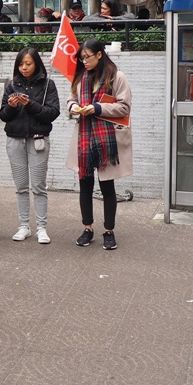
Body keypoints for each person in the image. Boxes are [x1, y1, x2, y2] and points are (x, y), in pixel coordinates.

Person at [66, 38, 133, 251]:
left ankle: (109, 231)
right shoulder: (80, 78)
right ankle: (88, 228)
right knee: (85, 185)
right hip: (84, 138)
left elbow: (124, 108)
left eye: (87, 57)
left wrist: (97, 108)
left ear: (99, 55)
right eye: (81, 58)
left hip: (107, 139)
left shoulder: (116, 77)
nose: (84, 61)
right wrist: (74, 107)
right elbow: (70, 100)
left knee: (107, 187)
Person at [0, 48, 61, 244]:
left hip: (38, 139)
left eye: (28, 63)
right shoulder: (11, 85)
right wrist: (12, 106)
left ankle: (41, 228)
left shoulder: (48, 84)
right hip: (15, 139)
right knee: (21, 187)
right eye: (21, 64)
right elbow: (3, 115)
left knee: (39, 186)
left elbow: (52, 113)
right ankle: (24, 226)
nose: (24, 67)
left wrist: (29, 104)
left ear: (37, 64)